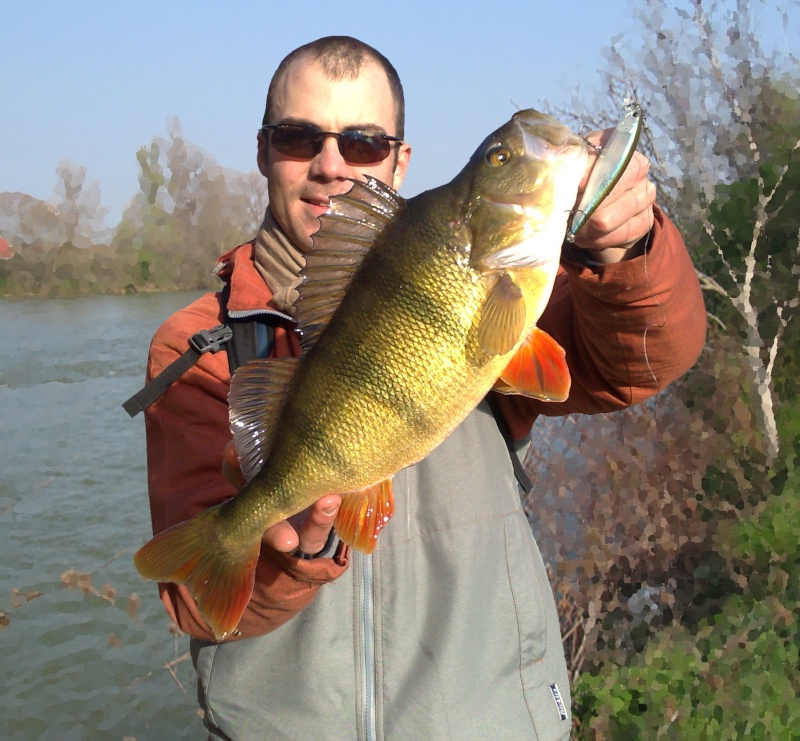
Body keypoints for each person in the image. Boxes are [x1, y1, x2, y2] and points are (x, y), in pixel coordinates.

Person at [141, 36, 706, 740]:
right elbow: (200, 603)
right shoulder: (199, 347)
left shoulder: (507, 278)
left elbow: (642, 360)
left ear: (400, 160)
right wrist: (297, 551)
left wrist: (626, 251)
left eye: (364, 141)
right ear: (263, 152)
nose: (329, 164)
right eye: (297, 137)